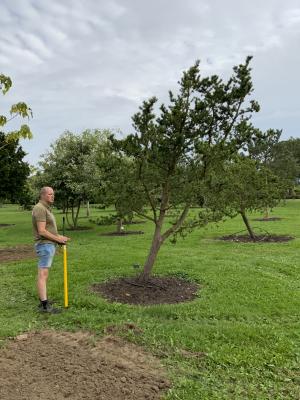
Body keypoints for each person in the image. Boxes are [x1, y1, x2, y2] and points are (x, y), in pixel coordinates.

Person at [32, 187, 70, 313]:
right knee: (43, 274)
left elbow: (49, 230)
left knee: (43, 274)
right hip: (44, 245)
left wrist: (60, 237)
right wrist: (58, 240)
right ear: (42, 195)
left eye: (53, 194)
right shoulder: (40, 208)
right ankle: (44, 305)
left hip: (48, 244)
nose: (52, 196)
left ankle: (44, 300)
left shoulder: (46, 208)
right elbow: (42, 231)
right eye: (50, 194)